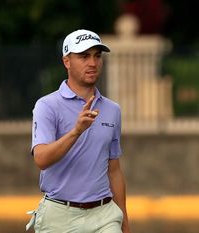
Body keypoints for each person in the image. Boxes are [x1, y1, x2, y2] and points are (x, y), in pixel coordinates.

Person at [26, 29, 131, 233]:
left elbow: (114, 169)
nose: (92, 63)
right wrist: (76, 131)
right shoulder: (47, 105)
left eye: (97, 56)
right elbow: (41, 159)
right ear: (67, 61)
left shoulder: (112, 109)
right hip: (59, 216)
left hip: (104, 215)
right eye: (84, 56)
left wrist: (124, 221)